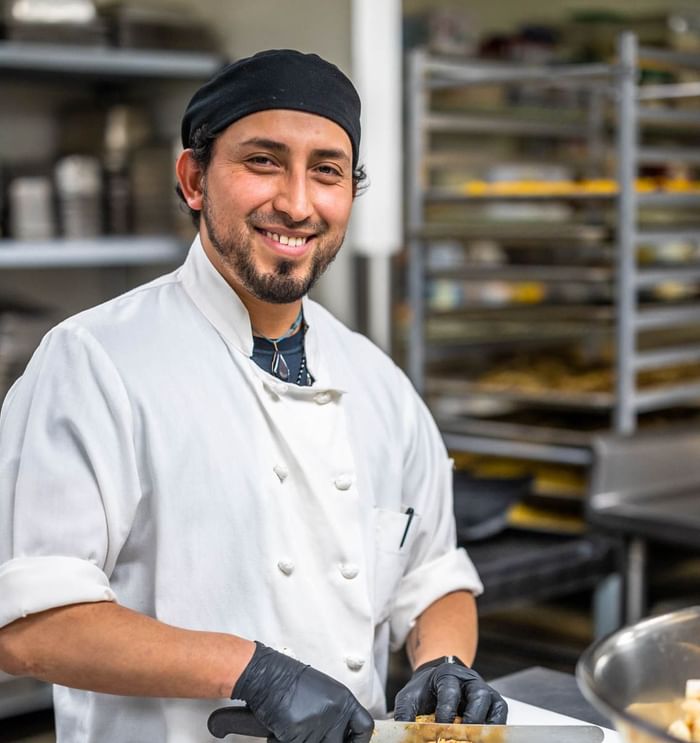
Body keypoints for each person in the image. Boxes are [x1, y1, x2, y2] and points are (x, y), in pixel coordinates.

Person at [0, 49, 507, 742]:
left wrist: (445, 658)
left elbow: (432, 575)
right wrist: (252, 669)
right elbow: (28, 624)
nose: (297, 204)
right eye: (262, 162)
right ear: (193, 179)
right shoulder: (95, 363)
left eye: (326, 170)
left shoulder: (378, 382)